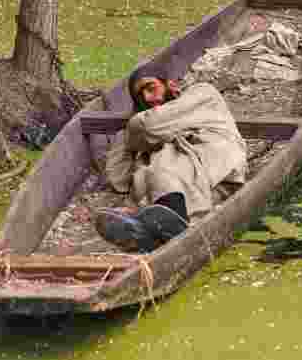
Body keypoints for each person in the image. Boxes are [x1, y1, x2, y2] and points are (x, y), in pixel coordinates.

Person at [93, 62, 247, 253]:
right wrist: (126, 135)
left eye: (151, 88)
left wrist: (133, 129)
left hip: (217, 166)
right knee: (151, 170)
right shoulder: (141, 129)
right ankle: (155, 232)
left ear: (171, 85)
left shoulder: (203, 93)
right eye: (140, 96)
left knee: (163, 162)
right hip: (188, 191)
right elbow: (118, 179)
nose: (148, 97)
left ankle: (166, 222)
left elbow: (149, 125)